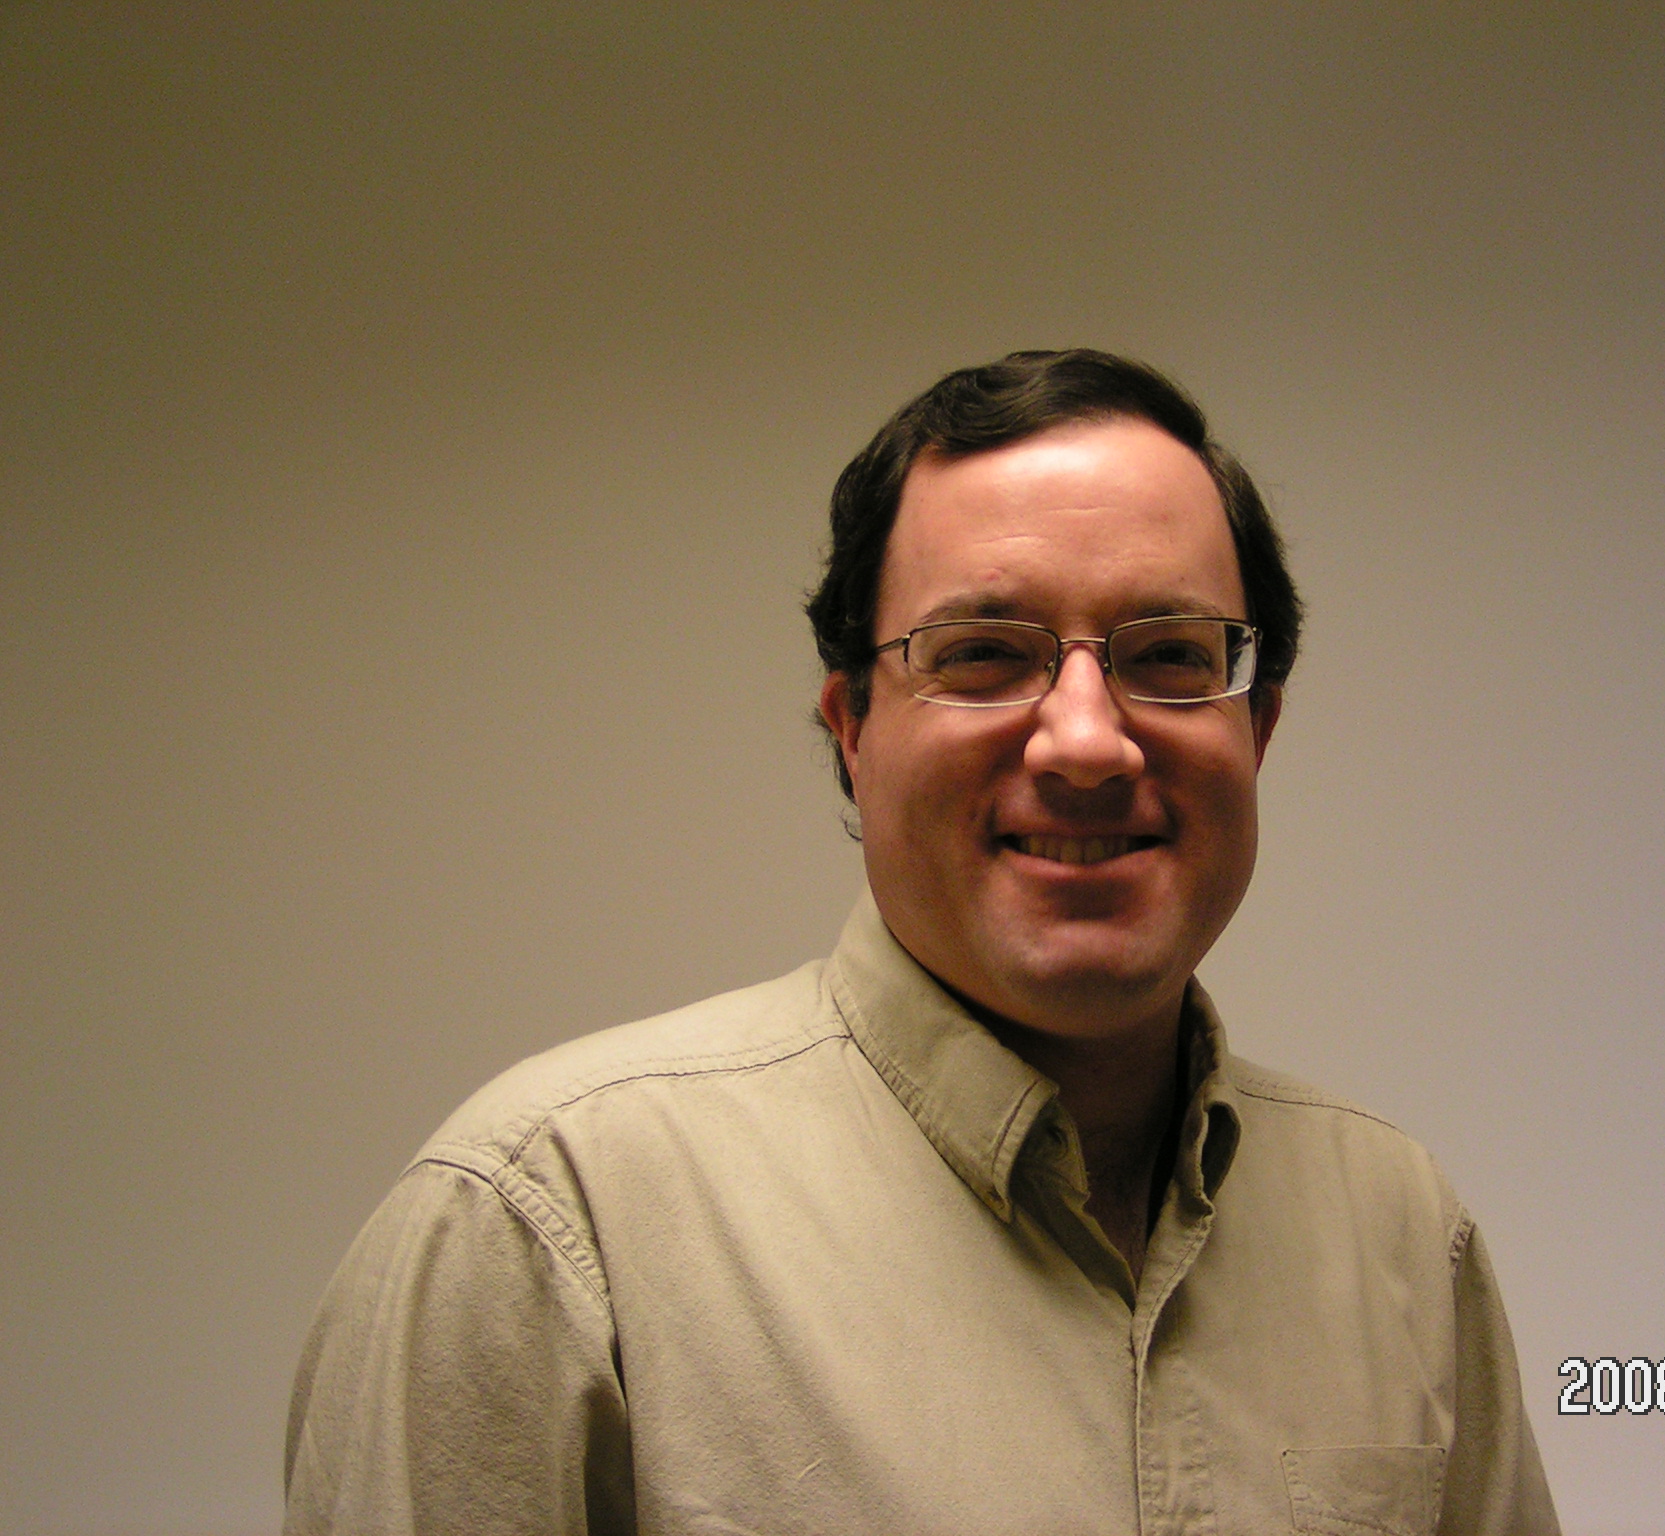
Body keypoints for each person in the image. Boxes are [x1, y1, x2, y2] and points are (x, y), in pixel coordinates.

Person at [284, 349, 1559, 1535]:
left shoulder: (1398, 1232)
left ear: (1257, 729)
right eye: (983, 655)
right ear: (851, 727)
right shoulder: (549, 1228)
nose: (1084, 741)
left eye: (1170, 656)